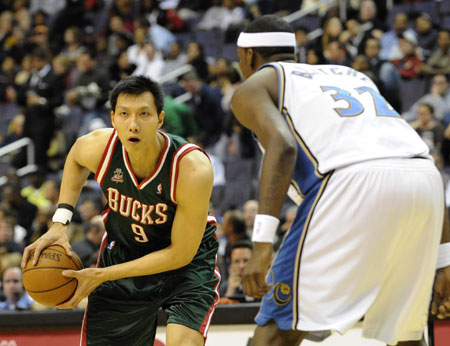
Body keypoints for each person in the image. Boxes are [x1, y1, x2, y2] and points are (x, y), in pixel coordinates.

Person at [231, 15, 450, 346]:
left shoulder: (255, 85)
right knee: (405, 334)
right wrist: (445, 259)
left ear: (247, 56)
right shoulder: (351, 74)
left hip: (349, 181)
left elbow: (283, 145)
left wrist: (261, 244)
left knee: (277, 329)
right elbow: (411, 159)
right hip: (424, 180)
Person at [21, 75, 220, 346]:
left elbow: (180, 254)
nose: (133, 124)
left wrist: (101, 275)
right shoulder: (98, 147)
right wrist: (60, 222)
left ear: (160, 119)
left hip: (186, 265)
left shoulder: (191, 168)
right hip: (125, 253)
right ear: (113, 118)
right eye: (124, 114)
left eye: (144, 114)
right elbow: (76, 158)